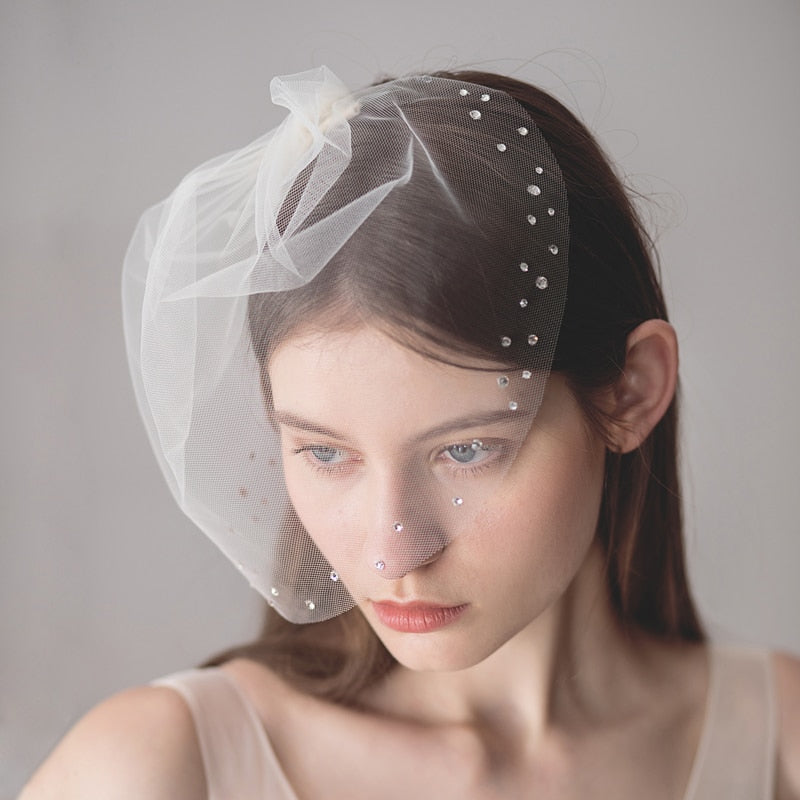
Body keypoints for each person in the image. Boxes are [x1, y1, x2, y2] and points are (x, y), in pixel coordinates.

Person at [20, 66, 800, 799]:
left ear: (632, 391)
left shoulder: (780, 746)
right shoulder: (159, 769)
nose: (392, 554)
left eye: (466, 450)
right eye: (326, 452)